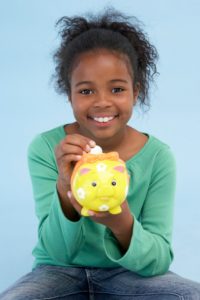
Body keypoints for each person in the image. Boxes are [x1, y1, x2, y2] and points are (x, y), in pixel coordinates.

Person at [1, 8, 200, 300]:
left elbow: (157, 261)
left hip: (128, 274)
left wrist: (121, 223)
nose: (102, 103)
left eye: (117, 89)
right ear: (69, 95)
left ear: (136, 91)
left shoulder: (158, 157)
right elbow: (55, 251)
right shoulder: (46, 149)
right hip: (58, 272)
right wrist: (64, 187)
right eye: (85, 91)